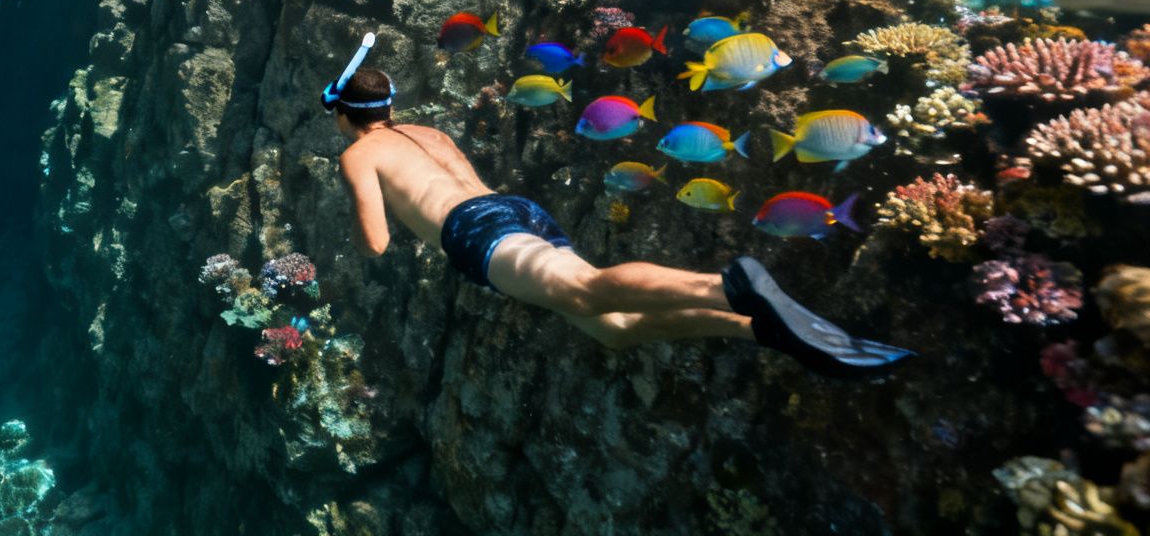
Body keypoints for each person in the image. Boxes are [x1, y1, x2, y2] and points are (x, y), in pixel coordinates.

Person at [321, 33, 911, 377]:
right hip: (511, 213)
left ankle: (724, 286)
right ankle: (754, 326)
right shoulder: (427, 132)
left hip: (477, 236)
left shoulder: (359, 154)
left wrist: (355, 226)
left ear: (342, 113)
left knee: (587, 290)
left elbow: (376, 241)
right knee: (616, 330)